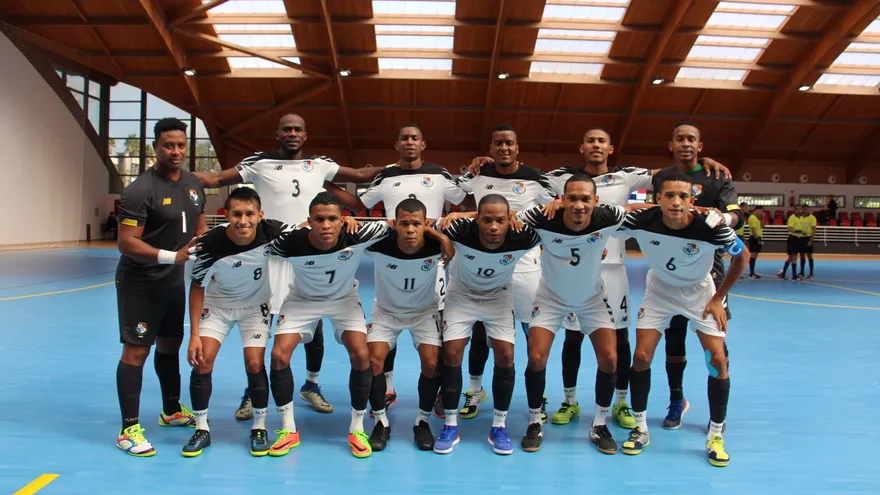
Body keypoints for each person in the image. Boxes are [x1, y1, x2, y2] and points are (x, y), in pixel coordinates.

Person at [470, 127, 731, 429]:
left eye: (602, 141)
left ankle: (620, 402)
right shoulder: (559, 177)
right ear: (581, 147)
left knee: (619, 339)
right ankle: (569, 400)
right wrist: (487, 163)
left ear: (611, 148)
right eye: (590, 141)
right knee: (572, 337)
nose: (596, 145)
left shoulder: (626, 176)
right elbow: (523, 173)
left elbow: (668, 179)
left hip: (613, 269)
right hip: (570, 270)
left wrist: (700, 162)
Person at [194, 113, 382, 418]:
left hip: (308, 252)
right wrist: (176, 175)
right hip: (271, 252)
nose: (292, 133)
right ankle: (251, 391)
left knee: (314, 321)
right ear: (278, 134)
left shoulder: (319, 163)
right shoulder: (259, 162)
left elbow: (360, 174)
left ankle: (312, 384)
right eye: (287, 129)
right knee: (263, 323)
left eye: (297, 129)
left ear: (305, 135)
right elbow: (215, 179)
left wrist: (395, 168)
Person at [326, 123, 466, 412]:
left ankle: (439, 391)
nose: (409, 142)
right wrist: (328, 185)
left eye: (415, 138)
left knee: (438, 327)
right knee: (390, 320)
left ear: (423, 144)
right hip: (392, 255)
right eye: (404, 138)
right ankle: (387, 388)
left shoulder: (439, 174)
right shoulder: (386, 176)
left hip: (431, 258)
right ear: (397, 144)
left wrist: (444, 232)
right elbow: (359, 205)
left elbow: (465, 199)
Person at [616, 172, 748, 467]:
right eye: (670, 196)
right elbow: (608, 216)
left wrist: (718, 298)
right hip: (660, 290)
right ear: (658, 199)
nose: (676, 202)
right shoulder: (643, 220)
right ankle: (640, 428)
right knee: (641, 356)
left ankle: (715, 435)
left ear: (692, 200)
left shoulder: (710, 228)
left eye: (683, 197)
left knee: (717, 360)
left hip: (700, 292)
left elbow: (743, 256)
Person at [516, 175, 641, 454]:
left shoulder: (607, 216)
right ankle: (535, 421)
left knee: (610, 359)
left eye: (585, 199)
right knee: (536, 358)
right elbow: (507, 216)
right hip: (550, 298)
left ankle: (599, 424)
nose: (579, 205)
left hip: (591, 299)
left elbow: (637, 209)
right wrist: (461, 215)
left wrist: (692, 210)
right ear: (562, 200)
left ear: (596, 201)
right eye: (571, 198)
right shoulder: (542, 217)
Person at [266, 192, 392, 458]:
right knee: (278, 355)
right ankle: (288, 429)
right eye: (319, 219)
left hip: (343, 299)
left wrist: (443, 240)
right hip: (302, 300)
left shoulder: (358, 235)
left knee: (362, 355)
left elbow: (397, 224)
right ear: (309, 221)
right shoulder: (290, 241)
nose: (326, 225)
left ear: (343, 220)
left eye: (332, 219)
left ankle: (357, 429)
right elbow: (258, 233)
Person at [448, 124, 557, 422]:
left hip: (524, 268)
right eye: (498, 143)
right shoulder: (478, 174)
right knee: (479, 330)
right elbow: (455, 193)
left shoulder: (536, 178)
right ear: (490, 148)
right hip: (484, 264)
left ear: (517, 148)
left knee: (532, 335)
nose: (504, 148)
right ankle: (474, 390)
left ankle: (538, 396)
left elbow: (553, 212)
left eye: (509, 143)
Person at [114, 117, 207, 457]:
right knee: (137, 351)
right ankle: (129, 429)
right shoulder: (140, 190)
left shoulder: (193, 183)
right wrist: (173, 256)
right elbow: (126, 242)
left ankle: (171, 410)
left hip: (172, 282)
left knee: (170, 345)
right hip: (141, 283)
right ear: (156, 147)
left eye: (181, 145)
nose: (176, 151)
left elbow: (200, 228)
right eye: (168, 145)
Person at [649, 120, 744, 430]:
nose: (685, 144)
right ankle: (677, 401)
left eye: (691, 139)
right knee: (674, 344)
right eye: (680, 139)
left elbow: (737, 215)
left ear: (700, 146)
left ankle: (719, 415)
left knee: (715, 350)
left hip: (709, 275)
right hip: (670, 273)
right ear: (671, 145)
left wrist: (722, 217)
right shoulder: (662, 177)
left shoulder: (717, 176)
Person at [433, 194, 541, 455]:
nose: (494, 227)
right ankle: (450, 424)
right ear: (477, 219)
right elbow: (423, 224)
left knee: (505, 355)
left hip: (498, 297)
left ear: (509, 220)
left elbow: (556, 231)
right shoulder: (460, 229)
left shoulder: (522, 236)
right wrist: (443, 238)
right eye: (487, 220)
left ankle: (499, 426)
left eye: (500, 220)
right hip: (462, 295)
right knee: (452, 353)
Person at [182, 187, 286, 457]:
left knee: (254, 363)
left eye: (250, 214)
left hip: (255, 306)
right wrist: (194, 334)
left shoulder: (272, 231)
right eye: (237, 214)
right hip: (217, 307)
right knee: (202, 362)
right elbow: (197, 286)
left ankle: (259, 427)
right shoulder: (210, 244)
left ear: (260, 215)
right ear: (226, 214)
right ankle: (201, 429)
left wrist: (346, 220)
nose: (243, 221)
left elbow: (307, 230)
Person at [364, 198, 454, 452]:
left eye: (416, 224)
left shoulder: (436, 244)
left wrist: (442, 237)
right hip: (386, 312)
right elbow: (344, 233)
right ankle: (380, 421)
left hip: (424, 312)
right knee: (373, 361)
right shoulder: (378, 244)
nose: (411, 230)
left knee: (432, 363)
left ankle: (422, 421)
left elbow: (473, 225)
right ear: (394, 224)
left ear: (426, 224)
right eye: (404, 224)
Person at [779, 205, 806, 280]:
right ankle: (794, 275)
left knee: (791, 257)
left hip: (800, 238)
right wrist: (800, 231)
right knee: (794, 256)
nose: (798, 211)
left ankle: (783, 274)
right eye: (797, 209)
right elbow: (790, 228)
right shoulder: (792, 217)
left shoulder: (802, 218)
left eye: (800, 209)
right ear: (794, 210)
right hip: (794, 238)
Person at [798, 205, 817, 279]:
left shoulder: (812, 218)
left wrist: (811, 240)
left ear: (809, 210)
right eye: (804, 209)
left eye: (806, 209)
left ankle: (811, 273)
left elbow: (814, 230)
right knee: (801, 255)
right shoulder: (800, 217)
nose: (805, 211)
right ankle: (802, 272)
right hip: (801, 238)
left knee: (809, 255)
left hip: (808, 238)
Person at [746, 205, 764, 279]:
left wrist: (762, 218)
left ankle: (752, 272)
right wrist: (757, 239)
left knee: (755, 255)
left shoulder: (757, 218)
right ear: (757, 210)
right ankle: (751, 273)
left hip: (758, 237)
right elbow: (753, 229)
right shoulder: (752, 217)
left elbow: (762, 226)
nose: (761, 212)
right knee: (753, 255)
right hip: (754, 238)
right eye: (761, 211)